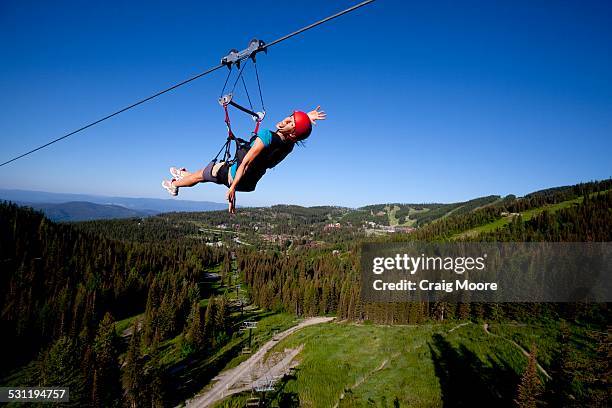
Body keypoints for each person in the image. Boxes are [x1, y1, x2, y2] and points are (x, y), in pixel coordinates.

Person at [162, 106, 326, 213]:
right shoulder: (288, 146)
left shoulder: (267, 137)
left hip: (233, 174)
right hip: (248, 183)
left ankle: (174, 185)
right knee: (205, 173)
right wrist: (307, 118)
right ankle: (183, 174)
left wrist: (232, 188)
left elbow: (246, 162)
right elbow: (297, 135)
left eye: (291, 122)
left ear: (292, 133)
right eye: (289, 116)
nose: (286, 119)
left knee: (201, 176)